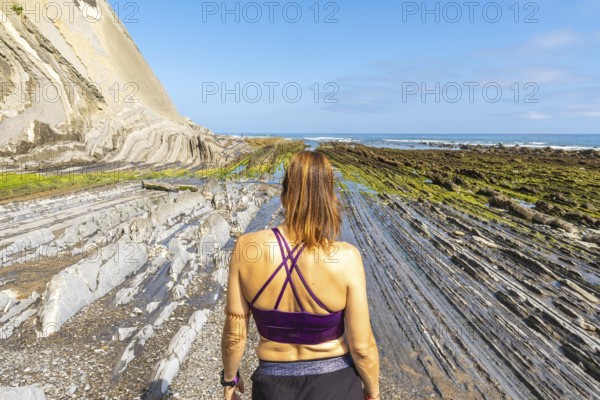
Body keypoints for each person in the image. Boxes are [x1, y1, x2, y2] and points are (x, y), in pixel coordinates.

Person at [220, 150, 380, 400]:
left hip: (273, 386)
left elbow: (234, 334)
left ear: (285, 193)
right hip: (336, 385)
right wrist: (373, 393)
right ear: (328, 197)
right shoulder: (347, 257)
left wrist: (230, 379)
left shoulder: (246, 247)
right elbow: (362, 347)